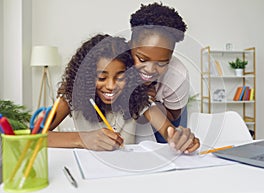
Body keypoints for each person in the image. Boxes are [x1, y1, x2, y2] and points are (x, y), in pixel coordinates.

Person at [48, 33, 199, 154]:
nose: (111, 86)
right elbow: (32, 137)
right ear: (86, 77)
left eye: (120, 77)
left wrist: (180, 137)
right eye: (101, 77)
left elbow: (168, 131)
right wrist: (81, 139)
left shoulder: (138, 98)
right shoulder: (71, 97)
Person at [129, 2, 190, 143]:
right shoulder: (117, 62)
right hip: (139, 111)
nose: (150, 70)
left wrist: (153, 102)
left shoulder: (178, 76)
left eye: (162, 63)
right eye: (142, 59)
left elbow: (173, 117)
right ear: (130, 44)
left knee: (171, 148)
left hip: (165, 110)